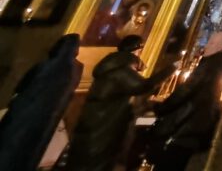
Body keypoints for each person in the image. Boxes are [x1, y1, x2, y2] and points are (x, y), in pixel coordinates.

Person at [66, 35, 172, 171]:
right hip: (103, 126)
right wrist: (171, 69)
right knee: (93, 162)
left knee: (84, 160)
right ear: (136, 50)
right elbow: (143, 86)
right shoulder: (121, 70)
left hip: (95, 122)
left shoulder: (113, 65)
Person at [148, 32, 222, 171]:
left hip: (183, 126)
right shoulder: (219, 66)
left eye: (212, 43)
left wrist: (162, 107)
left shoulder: (210, 66)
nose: (206, 46)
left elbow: (187, 90)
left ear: (221, 47)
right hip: (193, 127)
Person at [0, 33, 82, 171]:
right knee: (30, 149)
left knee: (10, 144)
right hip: (48, 117)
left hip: (26, 109)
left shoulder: (47, 65)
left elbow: (22, 86)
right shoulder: (75, 70)